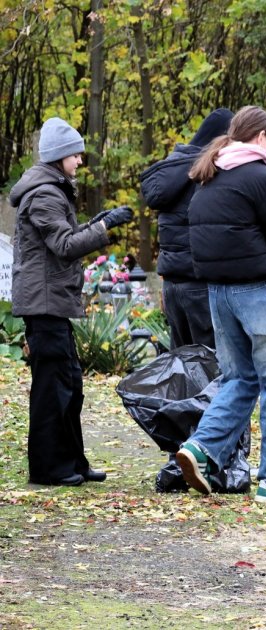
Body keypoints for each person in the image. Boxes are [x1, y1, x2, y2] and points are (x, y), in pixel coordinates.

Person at [176, 105, 266, 505]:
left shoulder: (209, 178)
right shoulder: (264, 179)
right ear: (261, 137)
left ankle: (202, 448)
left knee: (241, 379)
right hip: (257, 291)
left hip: (218, 293)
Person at [9, 117, 133, 486]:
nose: (80, 160)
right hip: (43, 304)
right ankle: (49, 469)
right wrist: (104, 227)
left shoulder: (52, 189)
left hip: (51, 304)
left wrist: (96, 223)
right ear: (59, 156)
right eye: (75, 154)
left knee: (70, 383)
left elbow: (64, 237)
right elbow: (63, 247)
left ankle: (73, 463)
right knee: (54, 386)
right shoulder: (44, 193)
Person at [140, 107, 234, 349]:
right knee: (210, 365)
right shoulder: (205, 172)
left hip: (173, 286)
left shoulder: (173, 172)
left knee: (183, 362)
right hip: (199, 284)